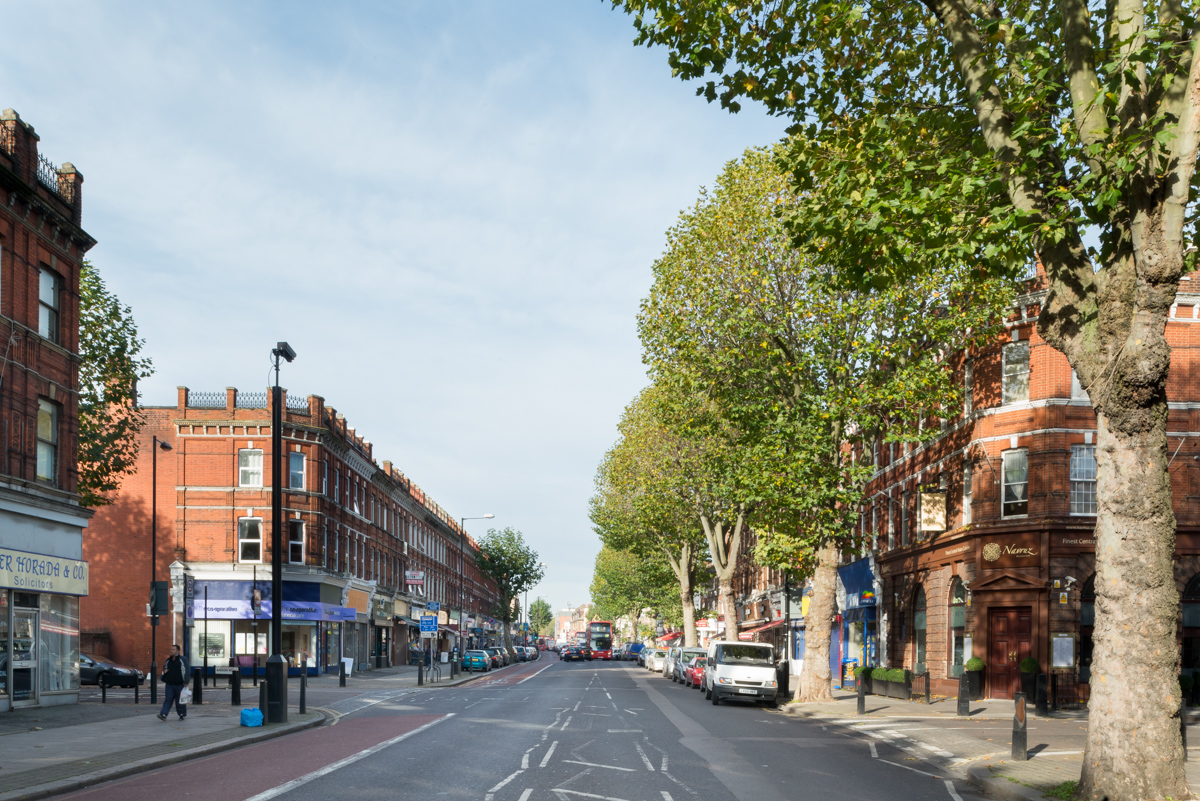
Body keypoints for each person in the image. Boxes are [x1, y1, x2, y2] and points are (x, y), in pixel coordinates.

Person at [157, 644, 189, 721]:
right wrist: (165, 670)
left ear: (178, 651)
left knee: (180, 700)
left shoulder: (183, 659)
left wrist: (186, 681)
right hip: (169, 684)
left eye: (173, 649)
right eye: (171, 649)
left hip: (180, 684)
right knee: (168, 699)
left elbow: (187, 670)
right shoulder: (168, 660)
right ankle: (164, 714)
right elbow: (165, 667)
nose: (171, 651)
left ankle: (182, 714)